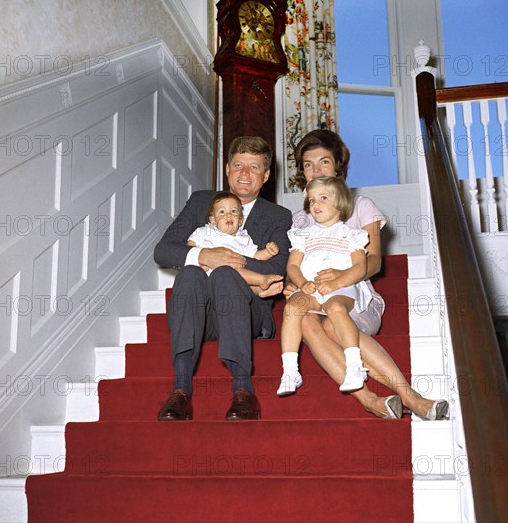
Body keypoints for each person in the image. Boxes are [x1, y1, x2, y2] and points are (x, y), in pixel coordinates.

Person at [286, 129, 448, 420]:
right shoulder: (300, 219)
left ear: (338, 166)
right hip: (315, 299)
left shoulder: (361, 207)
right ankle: (370, 400)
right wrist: (292, 285)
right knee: (306, 320)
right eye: (308, 165)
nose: (315, 170)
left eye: (324, 162)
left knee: (334, 324)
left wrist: (342, 275)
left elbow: (374, 263)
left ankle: (411, 397)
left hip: (355, 297)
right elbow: (297, 266)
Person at [153, 136, 292, 421]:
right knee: (191, 272)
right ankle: (180, 391)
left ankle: (243, 391)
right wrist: (204, 255)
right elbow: (164, 250)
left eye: (253, 167)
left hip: (246, 311)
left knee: (226, 275)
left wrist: (226, 262)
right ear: (227, 168)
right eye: (238, 165)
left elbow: (278, 267)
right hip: (200, 313)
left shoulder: (279, 215)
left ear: (265, 176)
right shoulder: (201, 201)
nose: (244, 174)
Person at [278, 177, 372, 396]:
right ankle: (290, 370)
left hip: (341, 288)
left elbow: (359, 267)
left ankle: (354, 365)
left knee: (336, 308)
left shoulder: (351, 235)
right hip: (312, 288)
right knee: (292, 308)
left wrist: (336, 283)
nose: (315, 204)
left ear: (339, 202)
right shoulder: (304, 235)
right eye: (311, 201)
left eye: (322, 198)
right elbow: (292, 266)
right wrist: (303, 284)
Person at [187, 191, 284, 292]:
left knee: (235, 269)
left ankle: (261, 280)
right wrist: (199, 261)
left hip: (229, 279)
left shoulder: (243, 238)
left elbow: (255, 256)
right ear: (213, 220)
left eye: (233, 211)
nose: (228, 215)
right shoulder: (204, 231)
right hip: (204, 275)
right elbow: (189, 248)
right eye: (222, 212)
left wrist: (268, 252)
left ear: (240, 220)